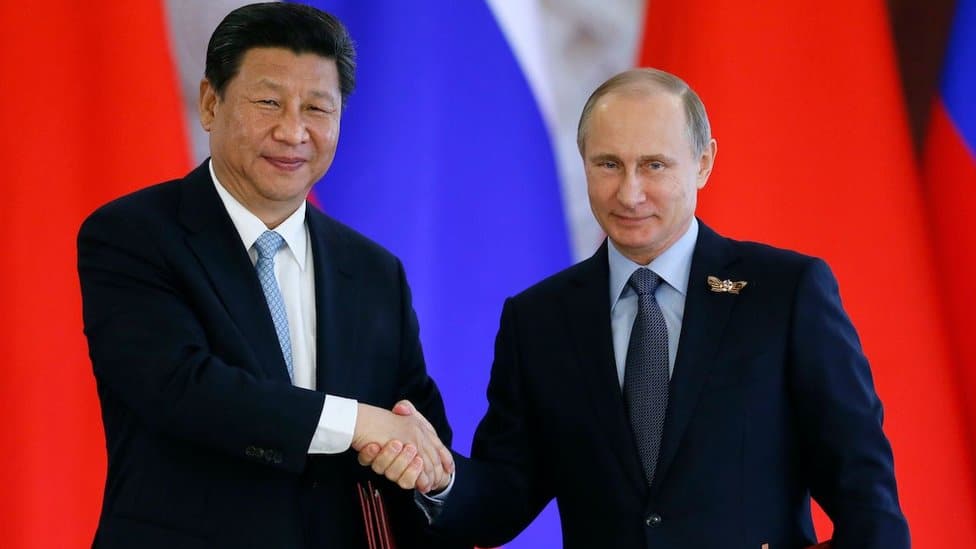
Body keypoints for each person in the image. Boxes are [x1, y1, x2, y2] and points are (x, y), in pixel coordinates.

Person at [359, 68, 911, 548]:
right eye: (608, 164)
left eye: (654, 165)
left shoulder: (785, 292)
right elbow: (505, 496)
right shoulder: (539, 319)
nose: (629, 192)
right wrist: (438, 476)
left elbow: (864, 490)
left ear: (703, 163)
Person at [77, 3, 457, 548]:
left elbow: (416, 429)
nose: (293, 130)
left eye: (318, 108)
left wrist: (433, 475)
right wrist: (355, 423)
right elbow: (183, 390)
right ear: (210, 102)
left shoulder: (374, 272)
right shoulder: (132, 236)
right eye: (268, 102)